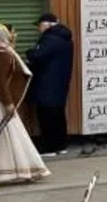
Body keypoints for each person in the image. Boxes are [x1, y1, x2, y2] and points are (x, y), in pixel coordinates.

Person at [0, 25, 49, 183]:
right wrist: (8, 103)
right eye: (12, 33)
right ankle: (10, 170)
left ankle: (6, 169)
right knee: (3, 134)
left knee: (2, 133)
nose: (15, 35)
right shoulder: (2, 54)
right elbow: (0, 82)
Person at [25, 12, 74, 157]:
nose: (38, 29)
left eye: (39, 25)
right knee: (58, 115)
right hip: (60, 83)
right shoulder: (65, 38)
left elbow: (37, 56)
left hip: (46, 84)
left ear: (47, 24)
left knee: (47, 116)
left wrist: (29, 52)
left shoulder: (49, 39)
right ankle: (61, 145)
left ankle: (50, 148)